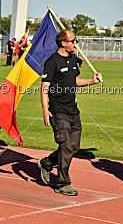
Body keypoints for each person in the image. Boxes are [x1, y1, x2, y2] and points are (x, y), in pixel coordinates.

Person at [38, 30, 103, 196]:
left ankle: (47, 163)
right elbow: (44, 87)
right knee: (66, 146)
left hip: (73, 110)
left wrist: (92, 81)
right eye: (73, 41)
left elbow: (74, 81)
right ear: (63, 43)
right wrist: (45, 110)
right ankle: (62, 183)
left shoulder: (73, 59)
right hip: (58, 111)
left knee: (74, 147)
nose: (76, 44)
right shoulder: (52, 62)